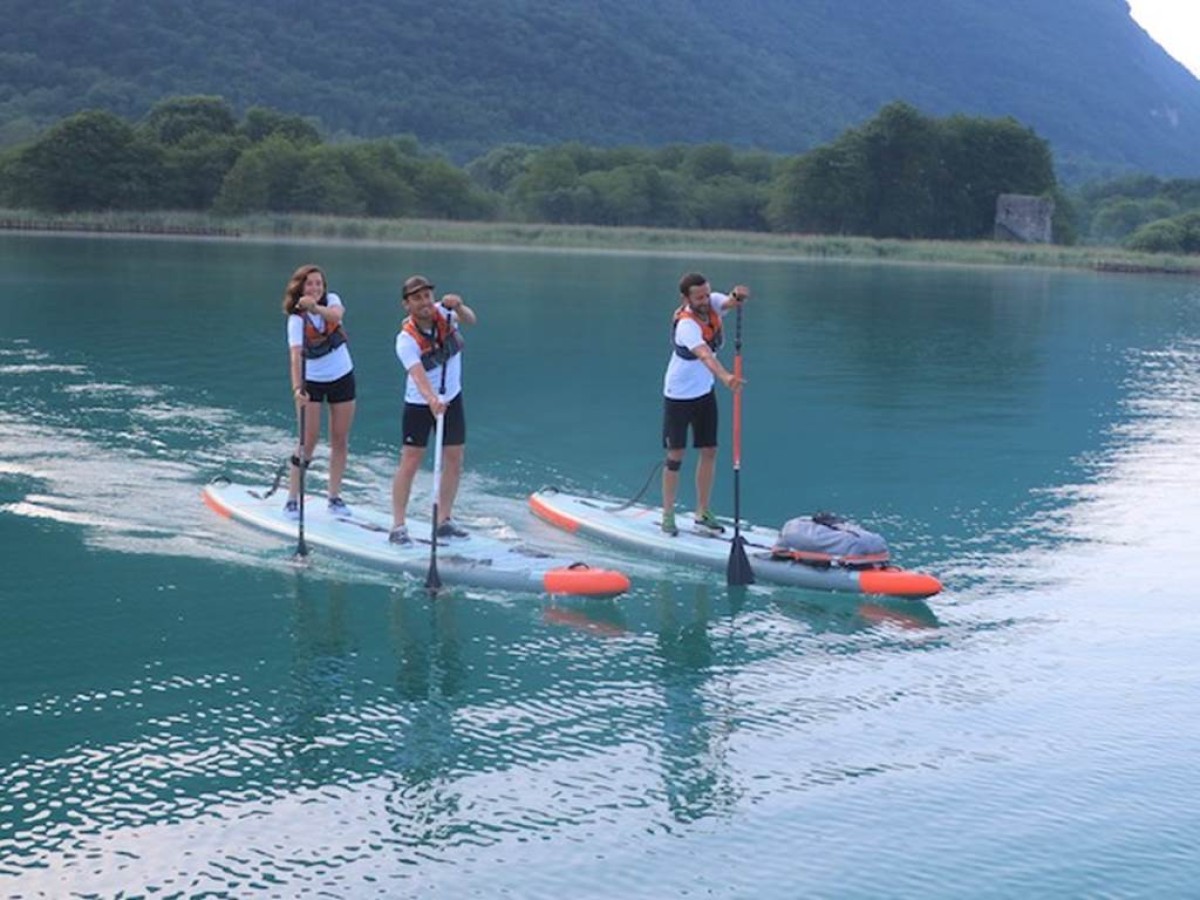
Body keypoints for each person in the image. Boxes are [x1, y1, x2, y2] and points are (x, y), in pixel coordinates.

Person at [389, 275, 477, 546]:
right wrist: (430, 399)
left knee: (454, 459)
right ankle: (398, 526)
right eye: (417, 298)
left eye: (427, 296)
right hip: (419, 403)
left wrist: (460, 306)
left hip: (452, 399)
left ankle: (444, 521)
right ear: (407, 305)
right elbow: (417, 375)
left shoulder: (446, 314)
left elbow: (472, 320)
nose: (424, 302)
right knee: (411, 460)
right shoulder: (405, 340)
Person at [661, 272, 749, 536]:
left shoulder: (712, 303)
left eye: (706, 294)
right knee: (676, 456)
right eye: (698, 297)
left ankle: (702, 512)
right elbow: (705, 356)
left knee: (709, 450)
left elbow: (728, 304)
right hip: (678, 395)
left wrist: (737, 295)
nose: (704, 300)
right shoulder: (686, 325)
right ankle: (668, 514)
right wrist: (725, 377)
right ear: (685, 298)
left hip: (703, 393)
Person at [282, 263, 356, 519]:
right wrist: (297, 388)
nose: (315, 288)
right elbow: (295, 356)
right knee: (308, 441)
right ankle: (292, 497)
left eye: (318, 283)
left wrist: (315, 307)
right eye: (310, 284)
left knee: (339, 438)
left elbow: (336, 317)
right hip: (311, 381)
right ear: (300, 287)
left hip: (342, 376)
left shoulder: (332, 301)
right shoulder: (295, 319)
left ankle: (334, 497)